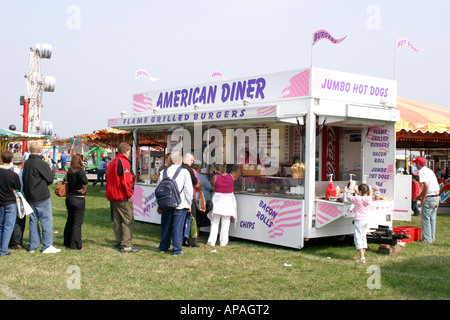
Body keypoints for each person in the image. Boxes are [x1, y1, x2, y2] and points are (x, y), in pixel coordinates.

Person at [23, 142, 61, 254]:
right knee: (46, 220)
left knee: (33, 220)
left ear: (30, 150)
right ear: (40, 150)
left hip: (30, 195)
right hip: (41, 195)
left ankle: (33, 245)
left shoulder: (27, 163)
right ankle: (47, 245)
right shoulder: (41, 163)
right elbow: (49, 179)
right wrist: (52, 171)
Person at [157, 152, 193, 255]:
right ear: (180, 161)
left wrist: (159, 204)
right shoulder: (184, 172)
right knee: (178, 227)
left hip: (166, 203)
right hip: (180, 203)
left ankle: (163, 247)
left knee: (166, 226)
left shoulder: (163, 172)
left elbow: (159, 189)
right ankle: (177, 249)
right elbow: (188, 190)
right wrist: (189, 203)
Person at [106, 142, 139, 253]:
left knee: (117, 220)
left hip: (113, 195)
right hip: (122, 196)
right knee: (128, 219)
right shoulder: (123, 162)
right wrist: (129, 194)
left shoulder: (112, 162)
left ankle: (118, 242)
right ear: (127, 151)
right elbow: (126, 180)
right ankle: (126, 244)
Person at [207, 164, 241, 247]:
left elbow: (211, 184)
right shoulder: (231, 176)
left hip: (217, 201)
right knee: (226, 222)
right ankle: (223, 242)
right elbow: (237, 174)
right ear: (225, 168)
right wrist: (240, 165)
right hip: (228, 202)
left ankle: (211, 241)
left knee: (215, 222)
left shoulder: (215, 177)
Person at [412, 157, 440, 243]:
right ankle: (431, 238)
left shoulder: (422, 172)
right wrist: (419, 195)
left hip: (429, 197)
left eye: (416, 163)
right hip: (436, 196)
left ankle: (427, 239)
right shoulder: (429, 170)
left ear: (419, 164)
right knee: (432, 219)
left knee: (426, 219)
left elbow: (426, 186)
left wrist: (423, 198)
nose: (415, 165)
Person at [64, 154, 88, 250]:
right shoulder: (80, 172)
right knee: (77, 223)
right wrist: (84, 189)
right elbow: (85, 182)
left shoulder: (69, 172)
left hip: (70, 197)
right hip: (78, 198)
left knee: (70, 220)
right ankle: (76, 245)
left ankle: (67, 241)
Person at [0, 150, 21, 257]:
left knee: (1, 225)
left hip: (1, 202)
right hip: (10, 202)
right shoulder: (13, 175)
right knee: (8, 227)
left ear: (1, 159)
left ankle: (1, 247)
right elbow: (18, 188)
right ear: (11, 160)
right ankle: (3, 249)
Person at [181, 153, 203, 247]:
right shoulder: (190, 170)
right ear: (188, 160)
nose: (192, 162)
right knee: (192, 220)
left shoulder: (178, 168)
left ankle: (181, 240)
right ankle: (192, 241)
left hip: (179, 198)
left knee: (181, 220)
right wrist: (201, 184)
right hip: (189, 198)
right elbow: (196, 184)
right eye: (192, 160)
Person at [347, 183, 372, 263]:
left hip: (359, 220)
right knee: (363, 238)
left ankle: (362, 257)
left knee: (358, 239)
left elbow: (348, 197)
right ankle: (362, 257)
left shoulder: (358, 199)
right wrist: (357, 192)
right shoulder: (369, 198)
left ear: (360, 191)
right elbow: (361, 197)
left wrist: (349, 191)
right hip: (365, 220)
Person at [9, 153, 26, 250]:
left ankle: (9, 240)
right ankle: (16, 241)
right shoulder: (20, 173)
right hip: (18, 197)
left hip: (8, 198)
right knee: (19, 220)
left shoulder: (8, 170)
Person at [193, 164, 213, 228]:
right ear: (198, 169)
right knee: (199, 219)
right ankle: (196, 235)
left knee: (195, 218)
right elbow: (210, 187)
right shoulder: (202, 177)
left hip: (193, 200)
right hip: (201, 200)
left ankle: (195, 235)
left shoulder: (190, 175)